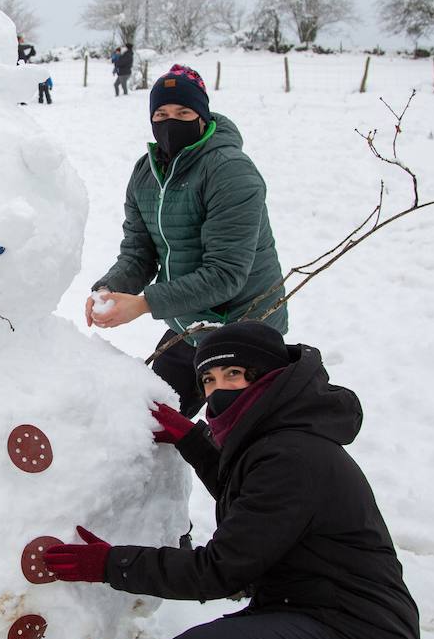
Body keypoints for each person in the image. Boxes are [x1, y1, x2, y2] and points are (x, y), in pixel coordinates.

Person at [44, 320, 422, 639]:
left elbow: (221, 570)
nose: (218, 390)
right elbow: (254, 502)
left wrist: (110, 563)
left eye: (234, 375)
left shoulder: (292, 455)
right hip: (317, 622)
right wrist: (195, 443)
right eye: (209, 379)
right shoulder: (277, 439)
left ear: (267, 376)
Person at [86, 64, 286, 417]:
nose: (170, 122)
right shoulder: (146, 174)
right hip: (188, 324)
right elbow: (139, 252)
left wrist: (144, 303)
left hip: (240, 329)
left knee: (234, 438)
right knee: (154, 421)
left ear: (202, 117)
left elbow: (225, 274)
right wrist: (108, 288)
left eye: (183, 112)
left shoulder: (230, 170)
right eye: (161, 114)